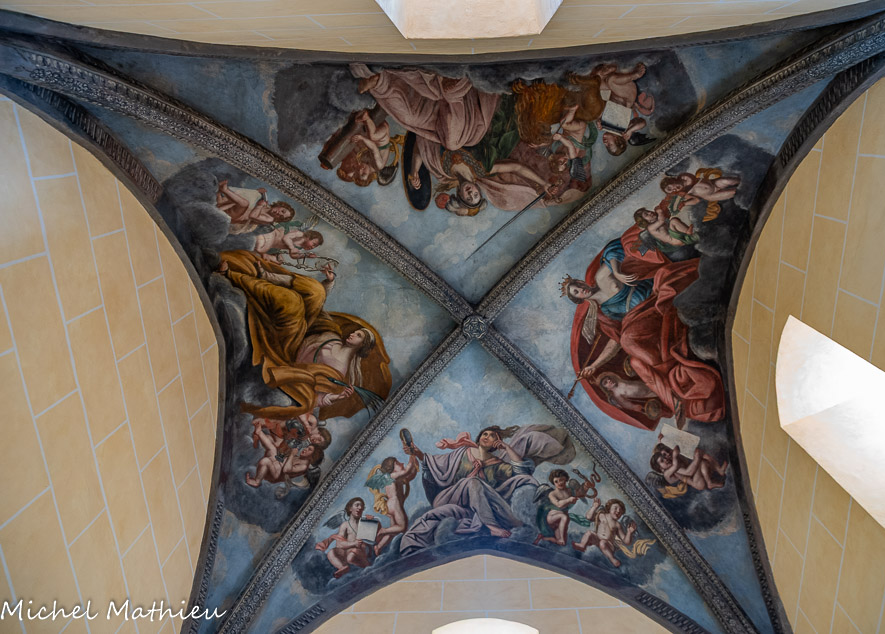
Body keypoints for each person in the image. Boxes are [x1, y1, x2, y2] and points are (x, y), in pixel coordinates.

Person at [562, 219, 725, 427]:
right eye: (576, 292)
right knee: (636, 361)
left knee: (629, 338)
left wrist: (617, 270)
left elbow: (614, 248)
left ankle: (671, 369)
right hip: (642, 321)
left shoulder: (601, 277)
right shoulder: (604, 313)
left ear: (581, 281)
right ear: (579, 299)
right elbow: (615, 341)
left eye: (577, 285)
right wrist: (594, 365)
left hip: (652, 298)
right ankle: (675, 399)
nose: (581, 289)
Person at [353, 65, 559, 214]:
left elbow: (421, 148)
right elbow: (517, 168)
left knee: (410, 118)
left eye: (468, 197)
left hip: (434, 124)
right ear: (478, 189)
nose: (471, 194)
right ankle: (454, 92)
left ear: (459, 194)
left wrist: (414, 170)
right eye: (475, 195)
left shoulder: (441, 171)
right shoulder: (483, 169)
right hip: (470, 119)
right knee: (453, 142)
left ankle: (380, 83)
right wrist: (542, 183)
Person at [216, 250, 391, 420]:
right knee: (316, 291)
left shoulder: (338, 371)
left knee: (291, 302)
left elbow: (312, 394)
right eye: (356, 332)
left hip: (290, 347)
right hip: (306, 326)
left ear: (362, 346)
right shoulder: (335, 334)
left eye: (358, 335)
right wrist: (328, 283)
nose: (352, 333)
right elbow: (318, 310)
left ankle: (231, 275)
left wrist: (333, 398)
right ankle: (267, 276)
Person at [399, 424, 575, 554]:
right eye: (484, 433)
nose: (486, 436)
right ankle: (492, 526)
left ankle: (413, 546)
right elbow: (432, 463)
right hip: (450, 497)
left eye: (492, 436)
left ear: (496, 443)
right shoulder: (463, 453)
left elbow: (520, 471)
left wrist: (506, 447)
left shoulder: (498, 464)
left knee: (471, 487)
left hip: (470, 509)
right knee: (472, 482)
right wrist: (415, 451)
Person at [365, 455, 419, 555]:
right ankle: (382, 531)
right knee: (402, 527)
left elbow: (411, 475)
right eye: (398, 463)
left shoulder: (396, 478)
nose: (402, 463)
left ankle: (379, 546)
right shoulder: (392, 476)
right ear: (392, 468)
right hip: (394, 504)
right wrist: (412, 455)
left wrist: (415, 462)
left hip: (391, 505)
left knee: (393, 530)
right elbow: (407, 471)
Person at [315, 498, 374, 578]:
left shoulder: (365, 522)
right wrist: (354, 543)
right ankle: (342, 567)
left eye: (362, 506)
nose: (360, 508)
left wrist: (371, 523)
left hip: (361, 549)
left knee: (351, 557)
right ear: (350, 508)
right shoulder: (345, 525)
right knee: (331, 552)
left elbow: (371, 541)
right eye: (357, 505)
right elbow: (339, 544)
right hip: (348, 549)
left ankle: (367, 566)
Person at [571, 498, 638, 568]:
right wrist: (594, 507)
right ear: (609, 508)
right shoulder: (601, 515)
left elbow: (626, 541)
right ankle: (582, 545)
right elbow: (588, 517)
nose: (618, 511)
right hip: (597, 539)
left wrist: (629, 532)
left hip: (608, 544)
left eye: (620, 511)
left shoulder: (617, 525)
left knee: (602, 543)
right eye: (615, 508)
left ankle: (612, 559)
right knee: (589, 533)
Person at [650, 439, 728, 492]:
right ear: (661, 468)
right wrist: (696, 458)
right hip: (698, 483)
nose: (667, 457)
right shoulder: (673, 469)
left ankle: (718, 471)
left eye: (667, 453)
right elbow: (689, 472)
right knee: (701, 459)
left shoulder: (673, 463)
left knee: (703, 458)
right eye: (663, 458)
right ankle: (710, 482)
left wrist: (661, 440)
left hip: (698, 477)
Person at [216, 181, 295, 233]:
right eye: (282, 211)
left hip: (234, 217)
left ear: (278, 219)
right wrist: (258, 192)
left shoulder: (269, 219)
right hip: (232, 209)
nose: (279, 213)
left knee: (245, 204)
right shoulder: (267, 206)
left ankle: (224, 190)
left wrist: (259, 206)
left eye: (280, 216)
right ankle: (221, 198)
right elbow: (254, 199)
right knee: (248, 198)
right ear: (281, 205)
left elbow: (253, 216)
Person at [534, 469, 586, 547]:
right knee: (564, 516)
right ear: (553, 483)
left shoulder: (570, 491)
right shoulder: (552, 494)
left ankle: (543, 538)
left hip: (560, 523)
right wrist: (569, 500)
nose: (559, 483)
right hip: (552, 518)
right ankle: (560, 538)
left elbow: (581, 492)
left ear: (566, 479)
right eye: (556, 481)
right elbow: (558, 504)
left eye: (561, 480)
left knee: (562, 543)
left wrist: (586, 486)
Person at [633, 206, 697, 249]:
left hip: (678, 236)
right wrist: (659, 211)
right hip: (675, 240)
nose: (650, 212)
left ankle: (689, 232)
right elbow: (661, 220)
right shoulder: (650, 228)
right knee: (673, 221)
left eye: (648, 211)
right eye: (646, 214)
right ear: (644, 221)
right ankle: (688, 232)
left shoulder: (657, 220)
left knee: (674, 220)